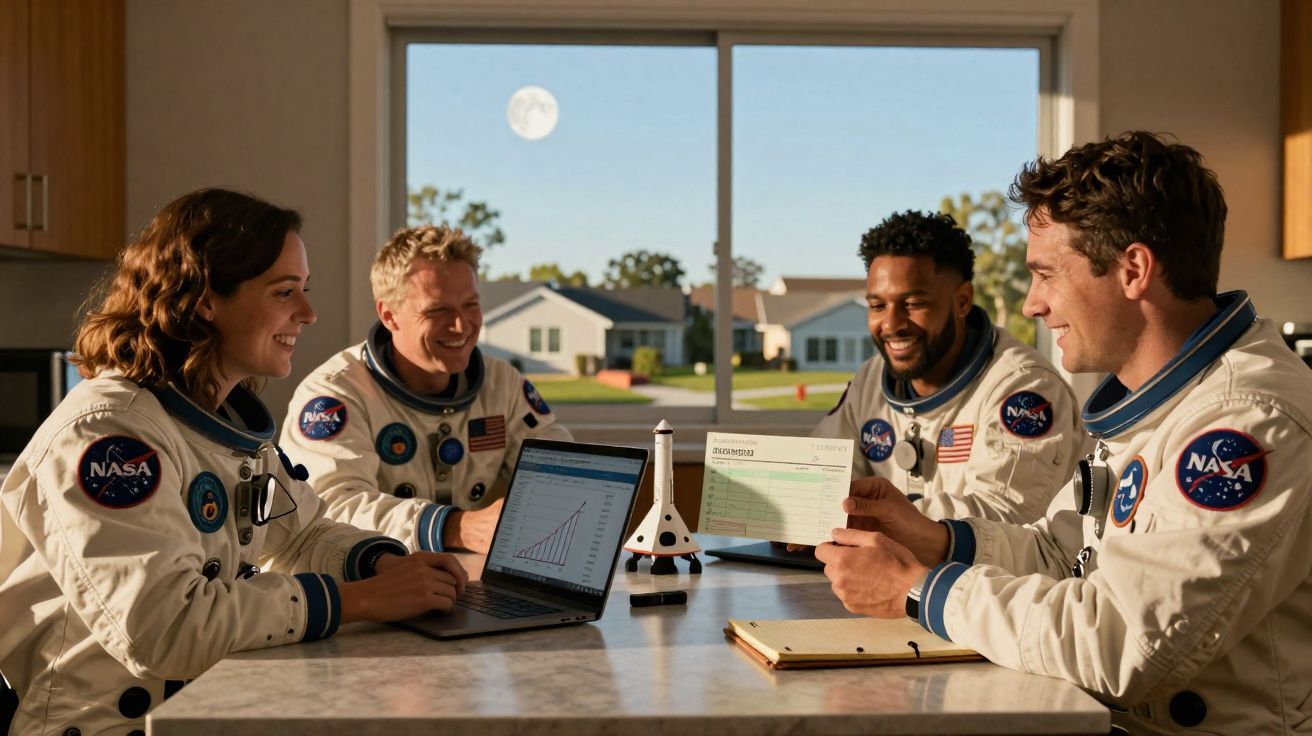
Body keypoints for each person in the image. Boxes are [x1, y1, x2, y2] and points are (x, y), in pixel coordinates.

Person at [816, 132, 1312, 734]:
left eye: (1046, 274)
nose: (1031, 305)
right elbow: (1060, 554)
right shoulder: (1159, 405)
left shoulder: (1247, 423)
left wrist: (919, 591)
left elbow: (1124, 643)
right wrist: (936, 540)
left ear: (1133, 270)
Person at [0, 189, 468, 735]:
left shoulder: (218, 421)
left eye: (305, 290)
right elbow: (166, 628)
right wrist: (361, 599)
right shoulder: (108, 435)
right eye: (284, 292)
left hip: (202, 709)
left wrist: (383, 566)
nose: (308, 313)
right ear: (204, 299)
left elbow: (300, 536)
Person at [279, 225, 571, 555]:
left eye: (471, 305)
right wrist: (452, 527)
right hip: (369, 591)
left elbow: (559, 468)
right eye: (438, 310)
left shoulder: (503, 386)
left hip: (470, 585)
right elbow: (330, 508)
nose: (461, 325)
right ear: (389, 315)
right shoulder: (334, 397)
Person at [812, 210, 1086, 523]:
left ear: (962, 301)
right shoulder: (870, 380)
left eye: (914, 304)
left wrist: (871, 519)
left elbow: (1004, 518)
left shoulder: (1024, 389)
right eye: (877, 306)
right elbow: (822, 477)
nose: (891, 324)